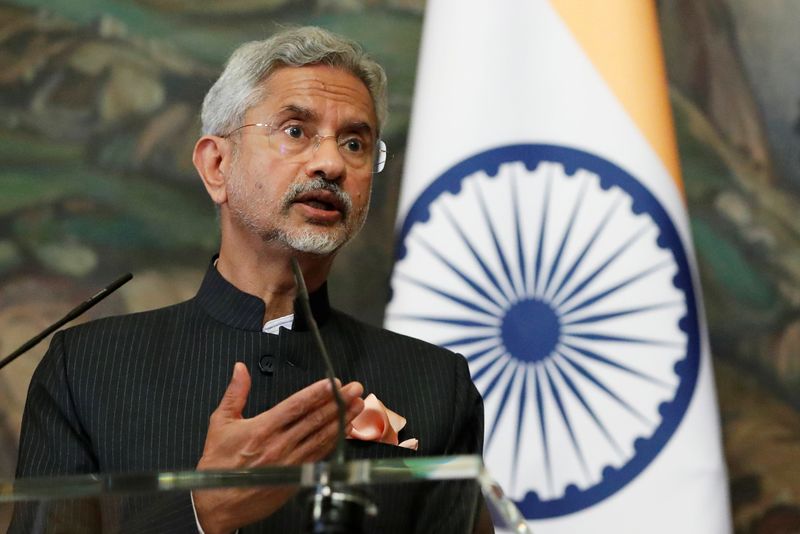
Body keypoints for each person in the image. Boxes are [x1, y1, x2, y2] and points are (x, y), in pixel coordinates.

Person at [12, 26, 485, 533]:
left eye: (354, 142)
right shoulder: (87, 370)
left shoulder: (436, 385)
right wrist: (201, 513)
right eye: (295, 131)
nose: (331, 163)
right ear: (217, 165)